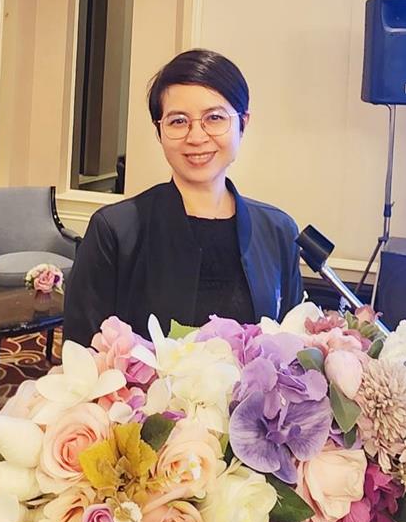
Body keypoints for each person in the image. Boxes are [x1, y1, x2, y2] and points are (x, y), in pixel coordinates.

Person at [63, 49, 303, 346]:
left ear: (243, 123)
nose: (196, 137)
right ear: (159, 131)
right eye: (178, 121)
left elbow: (289, 346)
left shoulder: (278, 231)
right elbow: (82, 349)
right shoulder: (115, 230)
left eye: (215, 118)